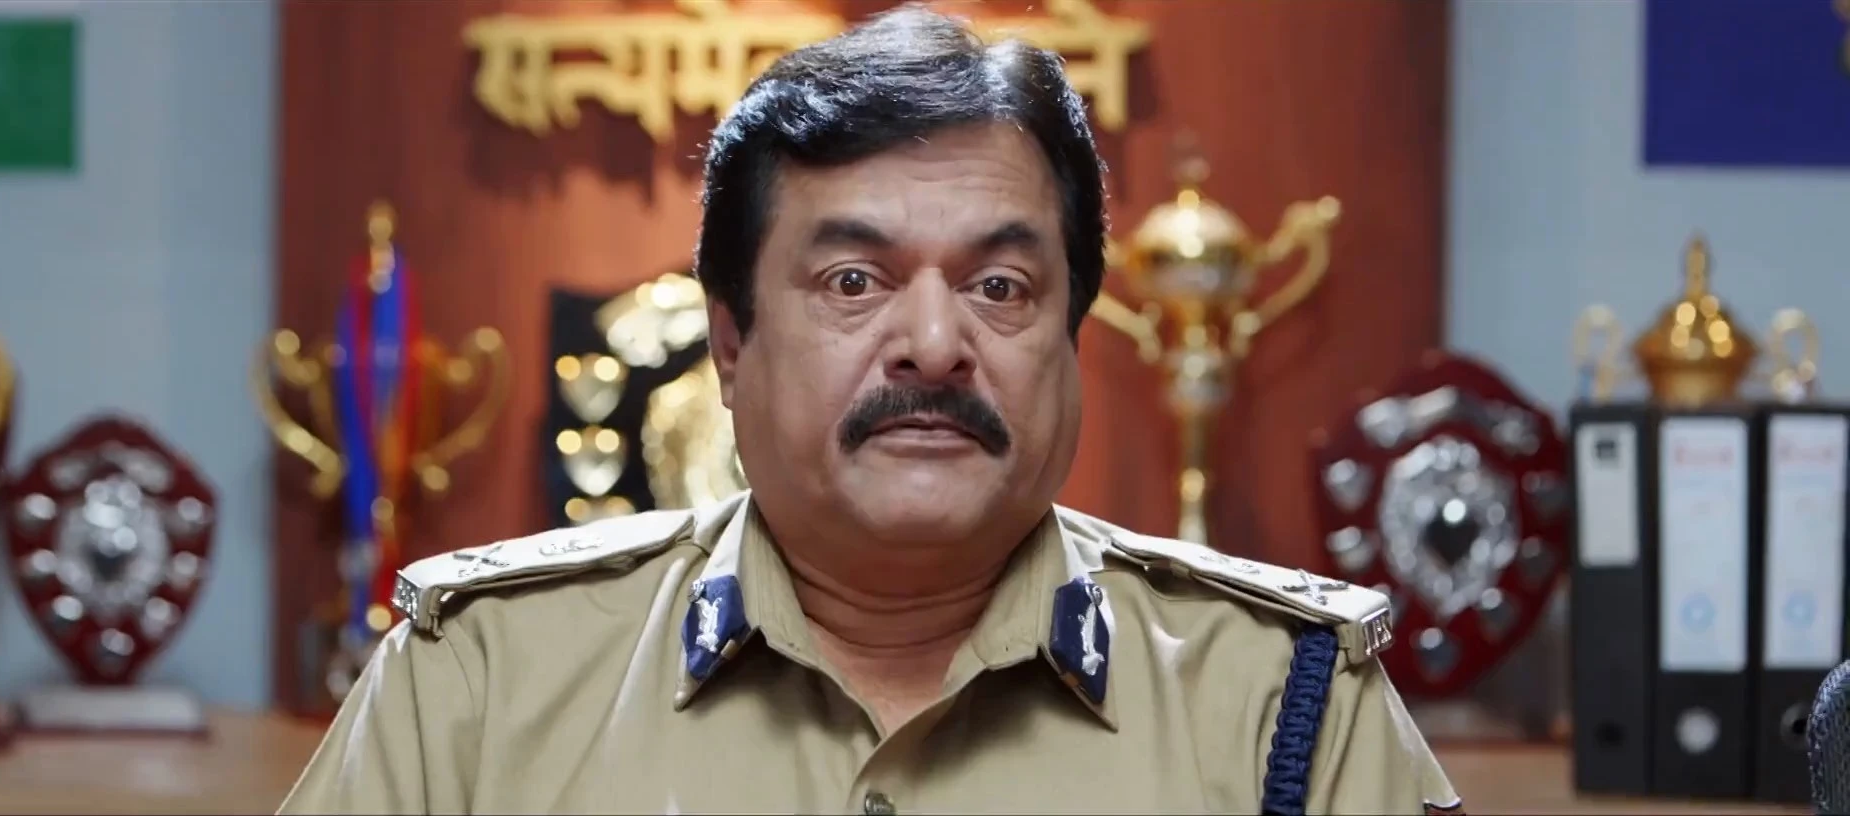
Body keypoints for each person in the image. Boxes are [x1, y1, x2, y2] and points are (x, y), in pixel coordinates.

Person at [279, 5, 1461, 814]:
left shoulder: (1290, 711)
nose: (935, 345)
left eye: (1001, 287)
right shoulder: (480, 684)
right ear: (731, 346)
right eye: (854, 282)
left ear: (1072, 340)